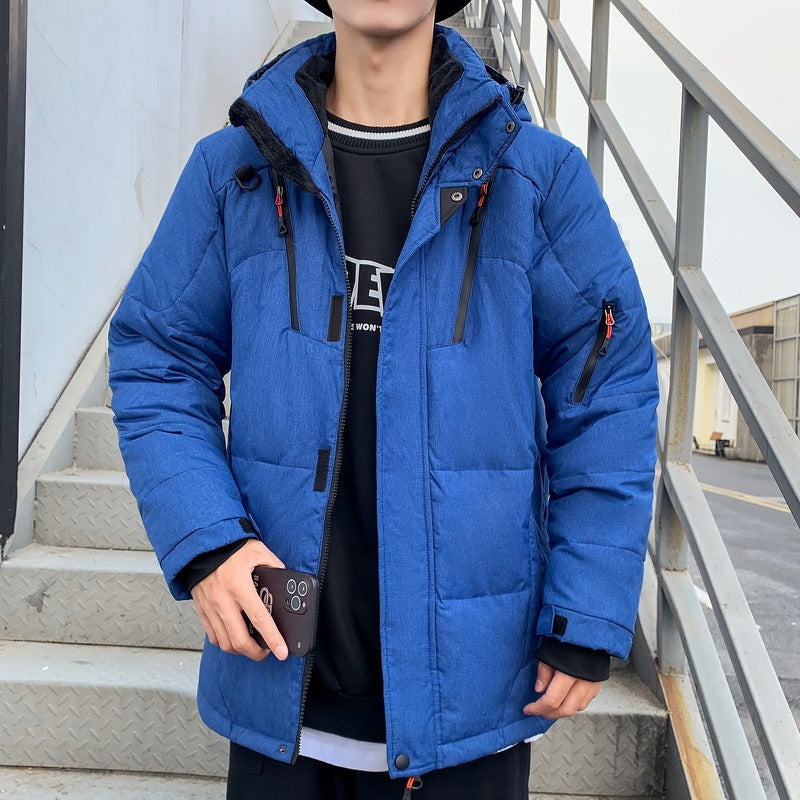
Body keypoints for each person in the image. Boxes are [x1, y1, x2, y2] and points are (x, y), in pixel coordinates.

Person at [107, 0, 659, 797]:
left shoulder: (536, 178)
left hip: (469, 716)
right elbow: (159, 356)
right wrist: (208, 543)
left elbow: (608, 390)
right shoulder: (235, 170)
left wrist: (587, 607)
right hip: (280, 689)